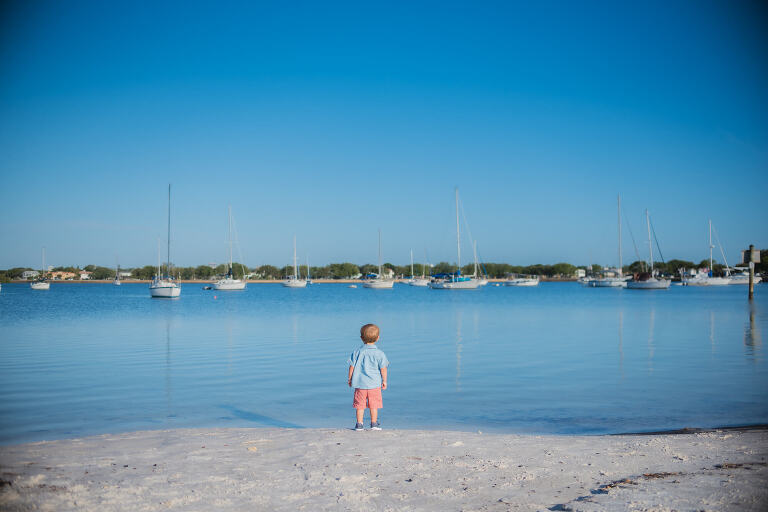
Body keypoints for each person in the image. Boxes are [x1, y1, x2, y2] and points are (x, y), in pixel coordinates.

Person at [347, 323, 389, 431]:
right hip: (374, 384)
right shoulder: (380, 353)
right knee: (373, 405)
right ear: (378, 338)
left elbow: (351, 367)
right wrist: (384, 381)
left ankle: (359, 424)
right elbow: (383, 368)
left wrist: (350, 378)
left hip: (360, 384)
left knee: (360, 405)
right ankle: (374, 423)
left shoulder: (357, 352)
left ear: (361, 338)